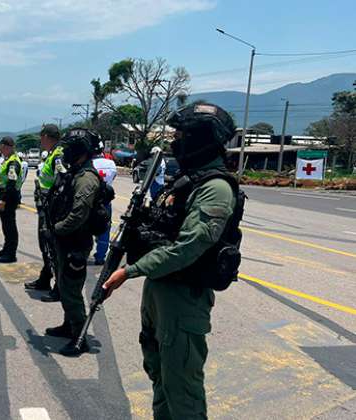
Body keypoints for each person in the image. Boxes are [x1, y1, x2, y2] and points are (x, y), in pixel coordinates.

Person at [101, 103, 239, 419]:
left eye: (181, 135)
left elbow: (187, 248)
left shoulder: (215, 188)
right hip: (160, 290)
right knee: (159, 375)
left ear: (201, 138)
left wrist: (130, 271)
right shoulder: (186, 180)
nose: (175, 141)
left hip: (183, 299)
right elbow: (162, 229)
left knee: (183, 390)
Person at [44, 128, 102, 356]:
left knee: (71, 291)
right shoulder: (75, 172)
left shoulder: (86, 178)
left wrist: (56, 230)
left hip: (75, 242)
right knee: (65, 285)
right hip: (65, 240)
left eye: (69, 148)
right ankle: (68, 325)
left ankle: (79, 337)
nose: (65, 152)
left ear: (79, 151)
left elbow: (78, 214)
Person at [24, 124, 64, 303]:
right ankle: (45, 278)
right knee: (45, 246)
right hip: (45, 207)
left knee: (51, 247)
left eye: (41, 137)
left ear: (47, 137)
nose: (40, 141)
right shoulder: (53, 154)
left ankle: (59, 288)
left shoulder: (58, 155)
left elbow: (61, 181)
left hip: (52, 209)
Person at [0, 136, 23, 264]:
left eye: (2, 146)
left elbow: (11, 182)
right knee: (6, 225)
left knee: (10, 226)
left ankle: (10, 254)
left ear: (7, 147)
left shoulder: (13, 163)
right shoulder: (8, 160)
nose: (0, 148)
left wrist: (3, 199)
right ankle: (6, 249)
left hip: (9, 198)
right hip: (5, 196)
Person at [91, 141, 118, 265]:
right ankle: (100, 256)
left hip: (91, 200)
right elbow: (113, 177)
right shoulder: (111, 163)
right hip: (106, 200)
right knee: (105, 228)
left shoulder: (89, 164)